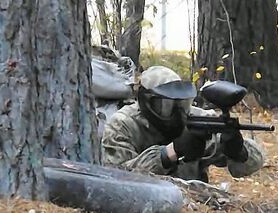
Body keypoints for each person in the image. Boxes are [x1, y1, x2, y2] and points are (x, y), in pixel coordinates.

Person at [101, 65, 265, 182]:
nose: (177, 113)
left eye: (183, 103)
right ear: (147, 101)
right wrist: (170, 152)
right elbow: (116, 177)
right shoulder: (123, 124)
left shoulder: (197, 120)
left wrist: (238, 151)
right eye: (167, 105)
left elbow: (252, 164)